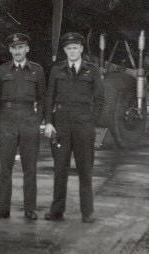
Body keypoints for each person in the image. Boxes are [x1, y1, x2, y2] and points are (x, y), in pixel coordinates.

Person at [44, 32, 104, 223]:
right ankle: (56, 211)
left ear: (81, 49)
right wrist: (49, 122)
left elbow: (100, 99)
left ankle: (87, 212)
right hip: (61, 126)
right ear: (65, 51)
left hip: (83, 125)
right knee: (60, 169)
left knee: (85, 170)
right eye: (68, 48)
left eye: (75, 48)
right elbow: (49, 97)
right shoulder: (57, 70)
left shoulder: (92, 70)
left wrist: (91, 121)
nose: (72, 51)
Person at [0, 33, 45, 221]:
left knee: (29, 168)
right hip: (6, 122)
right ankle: (3, 209)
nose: (17, 51)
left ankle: (30, 209)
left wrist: (38, 121)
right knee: (5, 169)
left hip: (29, 121)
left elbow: (43, 99)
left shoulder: (37, 71)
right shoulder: (1, 70)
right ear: (10, 50)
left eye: (21, 47)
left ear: (27, 49)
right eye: (14, 48)